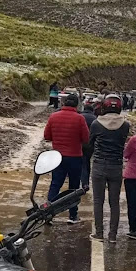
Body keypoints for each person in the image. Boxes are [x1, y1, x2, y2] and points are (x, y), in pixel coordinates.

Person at [44, 94, 90, 224]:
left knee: (55, 184)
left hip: (57, 157)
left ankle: (49, 215)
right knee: (74, 187)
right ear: (76, 105)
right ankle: (72, 215)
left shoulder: (53, 116)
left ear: (64, 103)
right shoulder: (80, 119)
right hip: (75, 156)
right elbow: (86, 138)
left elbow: (47, 136)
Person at [89, 95, 130, 242]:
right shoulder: (125, 125)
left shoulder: (96, 123)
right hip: (116, 165)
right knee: (114, 202)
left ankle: (99, 233)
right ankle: (112, 235)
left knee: (98, 201)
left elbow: (90, 143)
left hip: (99, 164)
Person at [80, 104, 96, 188]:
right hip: (90, 145)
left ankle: (83, 183)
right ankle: (85, 182)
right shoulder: (95, 119)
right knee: (87, 162)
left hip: (80, 143)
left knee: (82, 163)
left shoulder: (80, 117)